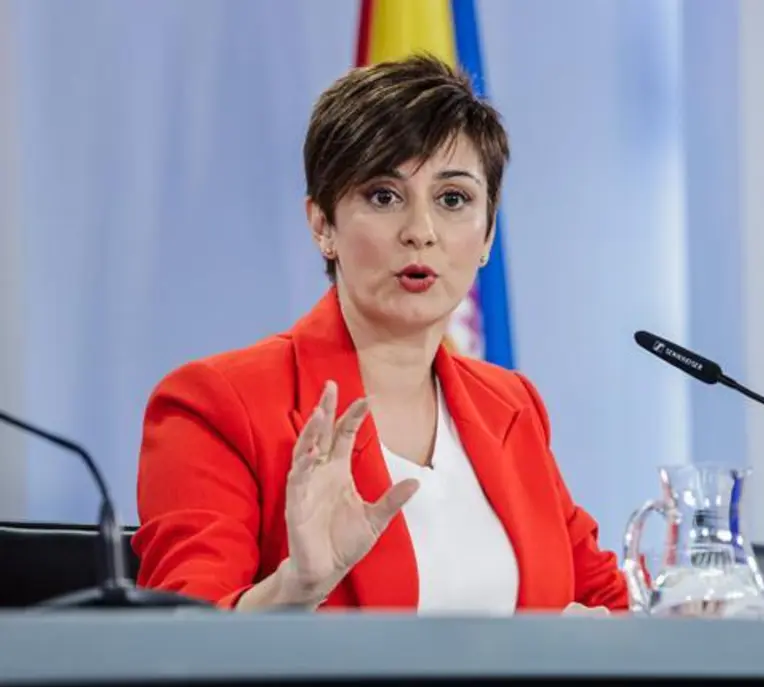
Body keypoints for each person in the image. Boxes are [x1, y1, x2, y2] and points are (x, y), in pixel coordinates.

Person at [132, 54, 629, 614]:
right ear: (323, 224)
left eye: (453, 199)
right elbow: (181, 642)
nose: (420, 232)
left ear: (488, 234)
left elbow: (608, 602)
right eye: (384, 196)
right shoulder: (217, 405)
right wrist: (295, 588)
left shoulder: (512, 406)